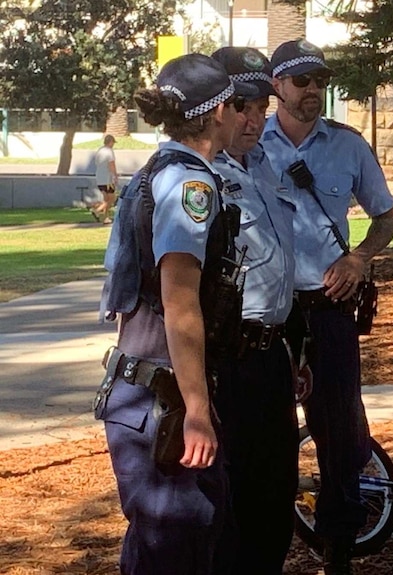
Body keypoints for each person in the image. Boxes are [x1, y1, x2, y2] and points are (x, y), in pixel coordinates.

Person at [95, 53, 256, 575]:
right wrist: (197, 411)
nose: (241, 116)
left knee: (162, 546)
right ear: (216, 114)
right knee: (175, 543)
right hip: (160, 400)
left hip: (145, 391)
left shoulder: (155, 172)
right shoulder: (191, 185)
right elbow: (180, 304)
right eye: (235, 104)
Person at [261, 38, 393, 575]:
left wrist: (361, 257)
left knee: (339, 433)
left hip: (328, 307)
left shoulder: (348, 145)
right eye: (301, 81)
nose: (313, 90)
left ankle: (337, 553)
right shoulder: (251, 144)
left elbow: (385, 216)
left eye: (319, 80)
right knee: (268, 432)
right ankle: (266, 546)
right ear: (277, 87)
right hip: (269, 313)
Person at [208, 46, 310, 575]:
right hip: (225, 360)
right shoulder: (195, 175)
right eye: (243, 106)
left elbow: (277, 265)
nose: (254, 119)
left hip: (273, 355)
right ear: (217, 105)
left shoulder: (267, 164)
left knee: (275, 494)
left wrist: (297, 350)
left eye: (261, 107)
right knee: (229, 502)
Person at [91, 134, 118, 224]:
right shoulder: (109, 152)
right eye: (113, 142)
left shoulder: (100, 151)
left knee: (106, 199)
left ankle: (106, 217)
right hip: (107, 179)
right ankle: (97, 210)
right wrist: (115, 176)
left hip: (99, 178)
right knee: (112, 199)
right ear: (110, 142)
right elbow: (111, 165)